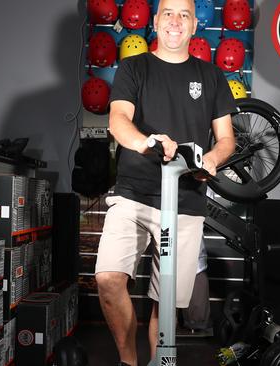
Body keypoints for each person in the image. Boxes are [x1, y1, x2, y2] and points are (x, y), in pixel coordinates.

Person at [93, 0, 236, 364]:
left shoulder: (212, 76)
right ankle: (129, 361)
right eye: (169, 13)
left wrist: (212, 161)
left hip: (185, 200)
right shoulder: (133, 67)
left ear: (193, 26)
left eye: (184, 15)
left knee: (167, 300)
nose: (176, 21)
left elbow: (226, 138)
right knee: (109, 279)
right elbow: (119, 120)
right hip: (134, 196)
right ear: (155, 22)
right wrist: (146, 142)